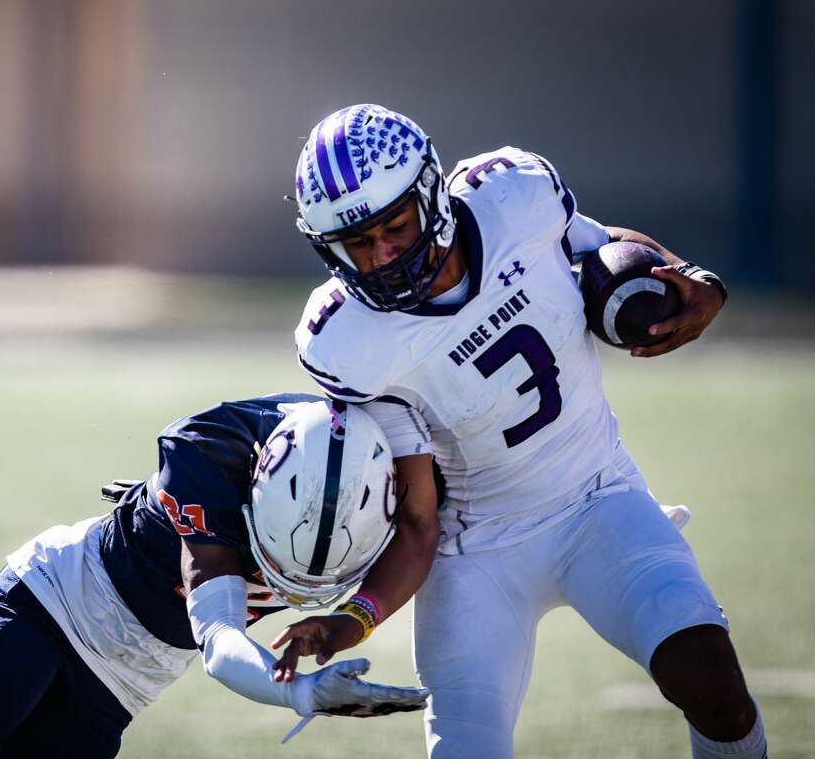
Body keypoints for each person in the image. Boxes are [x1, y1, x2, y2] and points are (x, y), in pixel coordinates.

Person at [272, 104, 766, 758]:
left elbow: (601, 249)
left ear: (431, 192)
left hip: (599, 499)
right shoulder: (347, 342)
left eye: (395, 226)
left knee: (715, 687)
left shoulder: (513, 194)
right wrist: (353, 618)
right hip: (473, 555)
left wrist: (696, 281)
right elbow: (419, 522)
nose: (384, 255)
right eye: (358, 244)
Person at [0, 394, 430, 758]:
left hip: (130, 676)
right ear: (256, 484)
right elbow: (220, 638)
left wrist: (352, 621)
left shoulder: (394, 476)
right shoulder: (210, 453)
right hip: (58, 597)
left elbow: (418, 534)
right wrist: (300, 693)